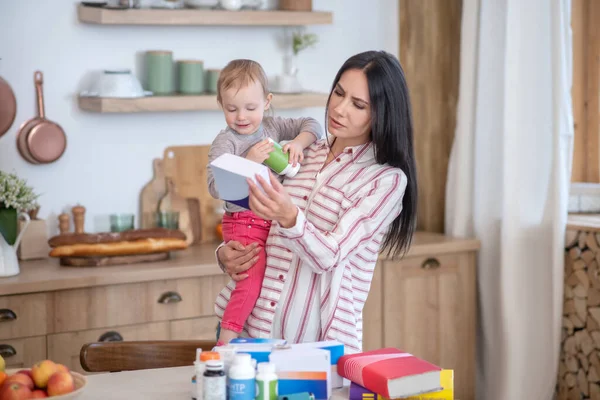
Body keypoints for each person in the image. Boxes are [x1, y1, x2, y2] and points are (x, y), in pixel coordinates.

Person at [214, 51, 418, 353]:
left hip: (317, 347)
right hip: (252, 328)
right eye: (338, 92)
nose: (339, 108)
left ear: (382, 114)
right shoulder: (299, 153)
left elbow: (329, 255)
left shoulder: (385, 181)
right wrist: (225, 254)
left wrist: (289, 216)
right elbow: (255, 222)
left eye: (358, 104)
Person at [207, 59, 323, 345]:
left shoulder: (272, 127)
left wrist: (298, 142)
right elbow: (214, 187)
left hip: (269, 223)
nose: (241, 117)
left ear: (267, 102)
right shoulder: (225, 143)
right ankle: (225, 343)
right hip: (243, 221)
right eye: (231, 109)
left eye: (251, 108)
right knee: (251, 281)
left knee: (266, 282)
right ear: (220, 103)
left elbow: (312, 124)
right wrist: (247, 162)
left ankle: (248, 339)